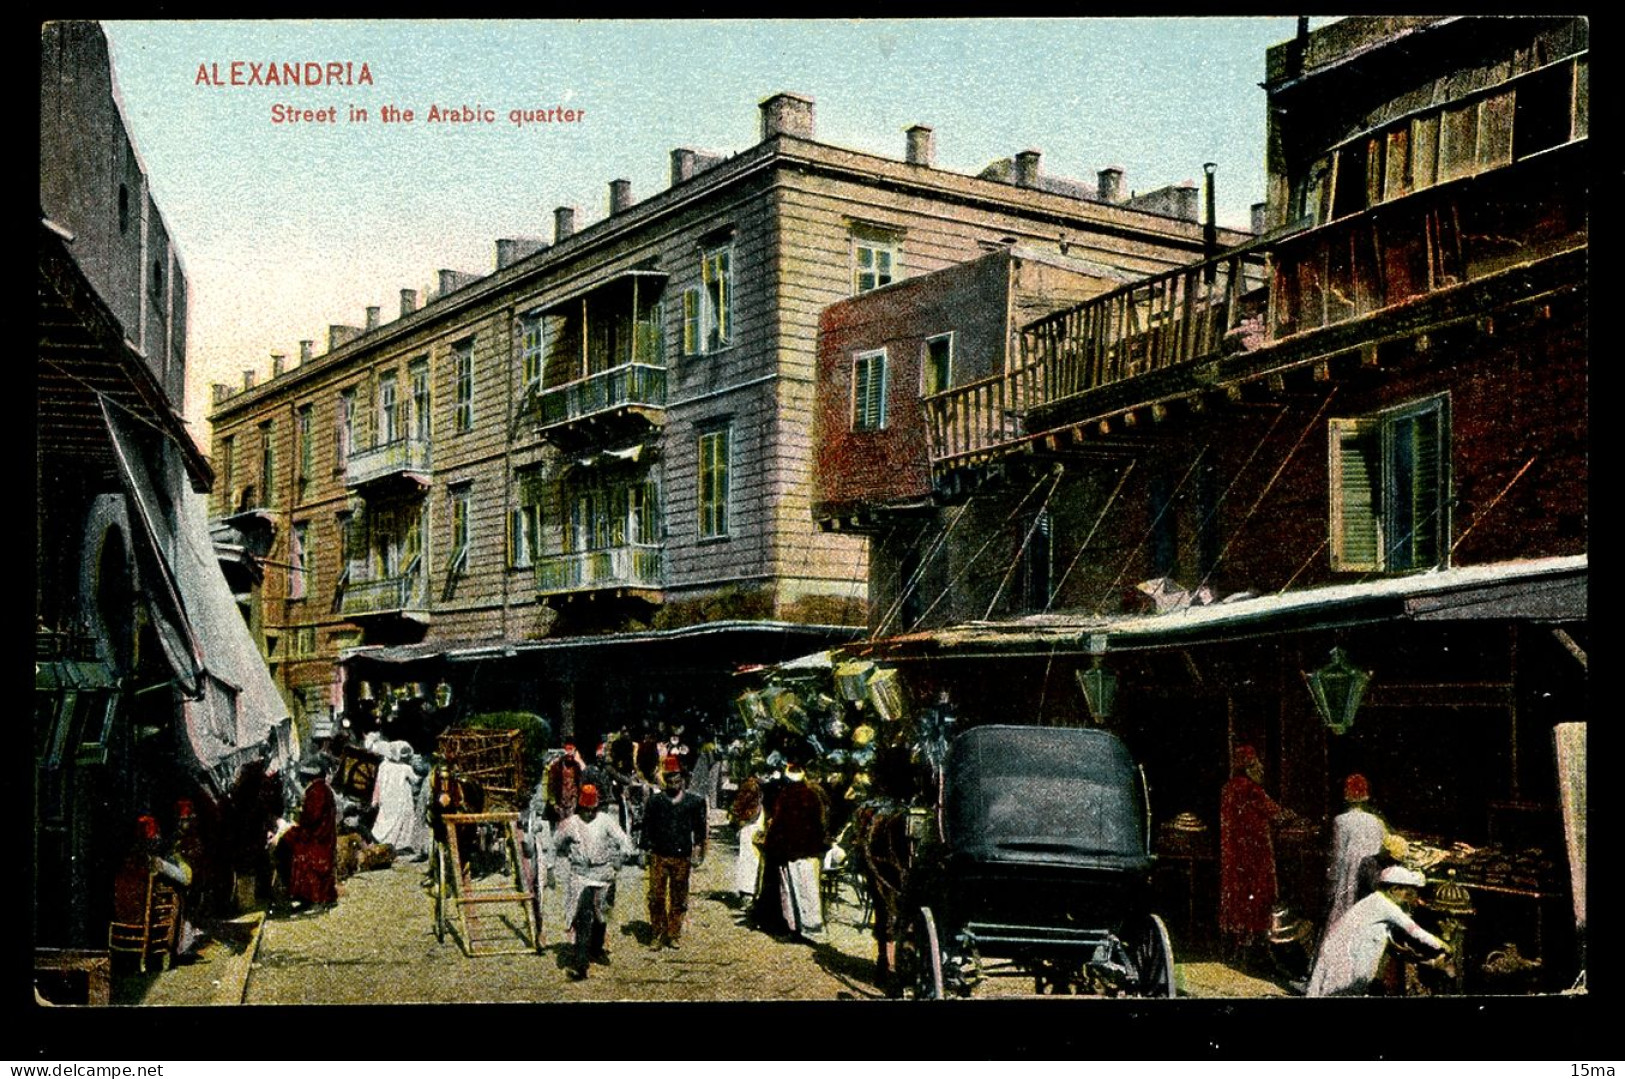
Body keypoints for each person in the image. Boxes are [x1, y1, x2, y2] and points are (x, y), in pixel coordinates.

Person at [1307, 865, 1449, 996]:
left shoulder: (1373, 900)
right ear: (1394, 890)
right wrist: (1440, 944)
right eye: (1406, 892)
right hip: (1346, 957)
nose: (1407, 897)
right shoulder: (1385, 905)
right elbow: (1414, 930)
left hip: (1340, 951)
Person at [1219, 744, 1293, 968]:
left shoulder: (1228, 788)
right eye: (1256, 764)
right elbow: (1277, 813)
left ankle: (1236, 948)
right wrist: (1290, 816)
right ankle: (1255, 951)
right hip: (1255, 855)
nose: (1260, 768)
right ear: (1248, 767)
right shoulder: (1251, 789)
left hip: (1233, 857)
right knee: (1257, 898)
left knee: (1236, 897)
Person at [551, 784, 634, 980]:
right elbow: (555, 844)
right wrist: (551, 868)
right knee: (583, 916)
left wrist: (620, 857)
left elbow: (624, 841)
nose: (589, 813)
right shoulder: (570, 823)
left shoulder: (605, 820)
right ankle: (581, 963)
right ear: (580, 808)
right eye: (586, 810)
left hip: (603, 874)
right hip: (580, 876)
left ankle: (596, 948)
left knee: (601, 915)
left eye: (593, 810)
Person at [641, 755, 709, 949]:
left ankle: (673, 933)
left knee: (679, 896)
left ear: (683, 780)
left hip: (682, 856)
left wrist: (698, 850)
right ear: (665, 780)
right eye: (670, 780)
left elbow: (699, 829)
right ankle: (658, 933)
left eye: (677, 780)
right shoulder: (656, 801)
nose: (674, 784)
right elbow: (647, 826)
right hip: (659, 855)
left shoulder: (693, 803)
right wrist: (644, 849)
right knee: (656, 896)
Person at [763, 758, 827, 941]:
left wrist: (771, 845)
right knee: (808, 890)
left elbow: (779, 824)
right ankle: (811, 928)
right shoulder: (812, 795)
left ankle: (795, 928)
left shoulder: (785, 796)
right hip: (809, 849)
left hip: (789, 850)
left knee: (790, 891)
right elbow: (820, 824)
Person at [1323, 773, 1387, 935]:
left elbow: (1337, 855)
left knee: (1345, 914)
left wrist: (1332, 882)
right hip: (1371, 874)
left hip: (1350, 873)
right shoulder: (1376, 821)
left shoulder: (1340, 821)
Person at [281, 756, 339, 910]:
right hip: (322, 835)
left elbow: (312, 817)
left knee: (300, 856)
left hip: (317, 837)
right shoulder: (323, 789)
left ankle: (314, 899)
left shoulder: (317, 791)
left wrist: (298, 825)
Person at [371, 741, 421, 854]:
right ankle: (400, 843)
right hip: (401, 798)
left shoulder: (383, 765)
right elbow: (415, 780)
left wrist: (376, 799)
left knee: (385, 818)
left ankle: (380, 838)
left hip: (387, 797)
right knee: (403, 819)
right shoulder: (406, 768)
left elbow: (378, 783)